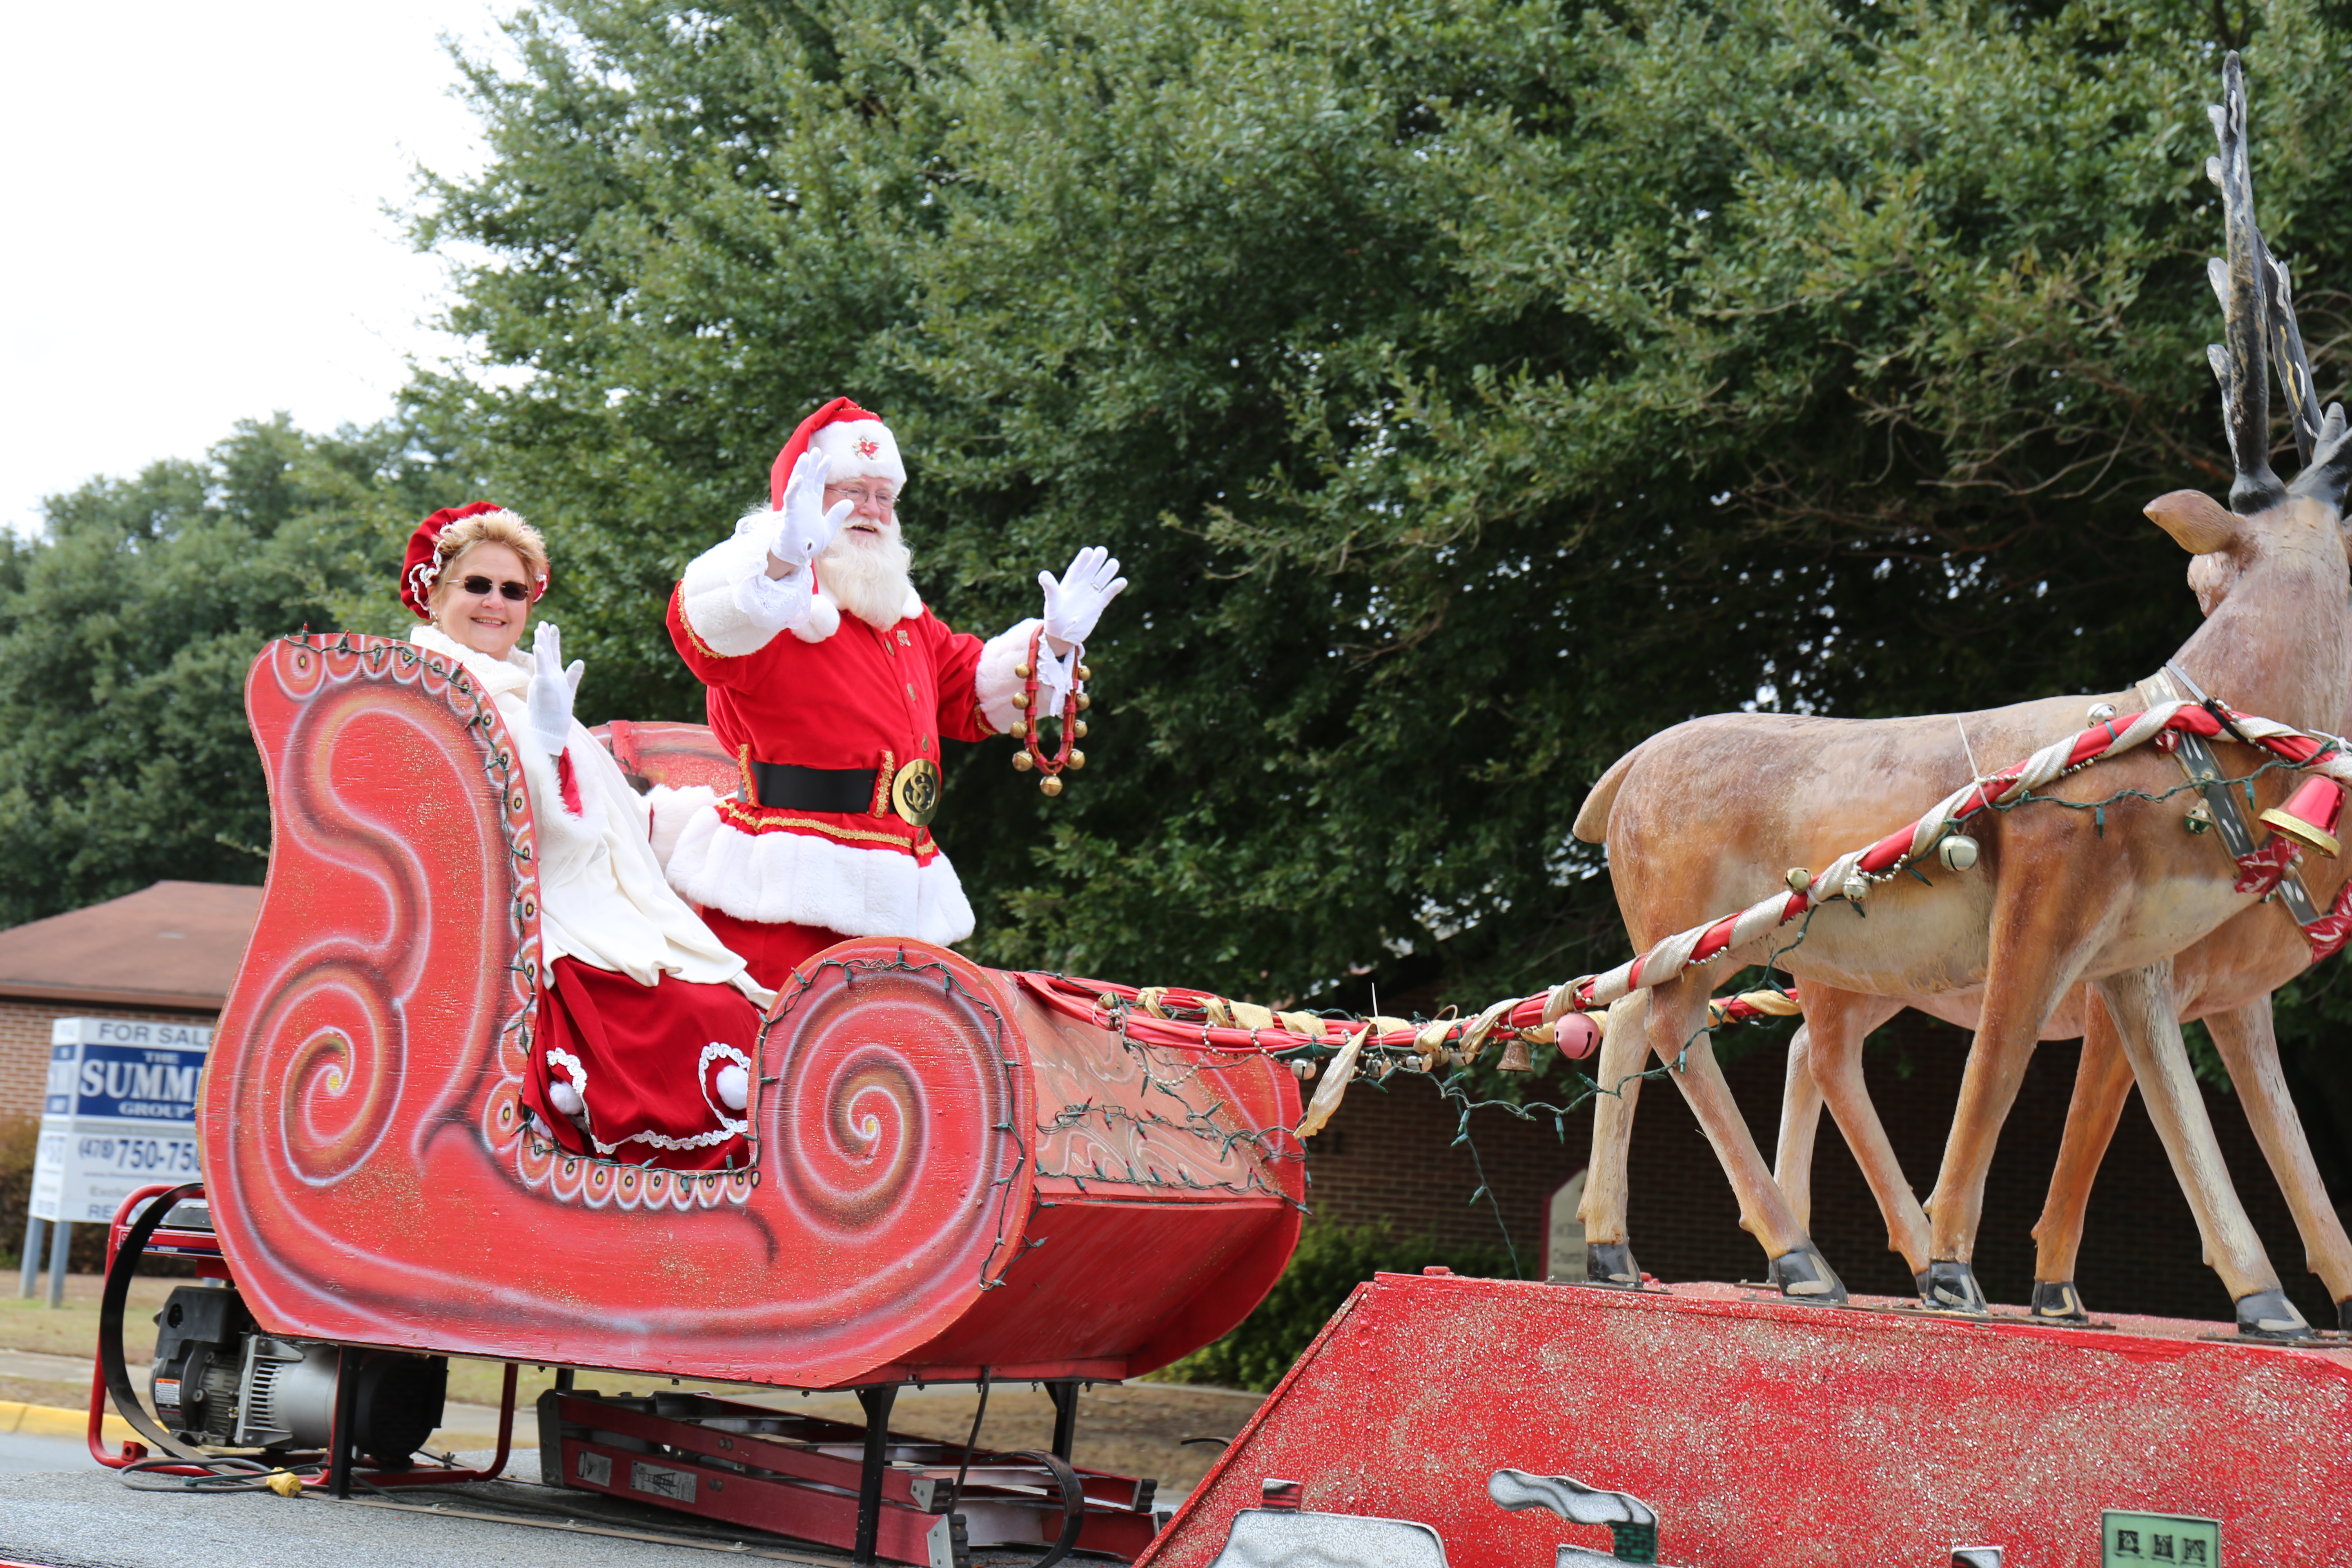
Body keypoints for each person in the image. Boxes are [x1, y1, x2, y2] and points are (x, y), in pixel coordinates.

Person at [658, 398, 1126, 991]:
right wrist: (778, 560)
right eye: (852, 491)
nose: (872, 511)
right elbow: (703, 629)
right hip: (787, 889)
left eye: (884, 497)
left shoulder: (905, 620)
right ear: (804, 500)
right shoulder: (775, 606)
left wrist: (1054, 642)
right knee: (780, 1065)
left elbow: (971, 690)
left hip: (900, 882)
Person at [400, 501, 771, 1171]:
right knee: (678, 1009)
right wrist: (543, 745)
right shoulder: (425, 693)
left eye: (513, 590)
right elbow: (498, 834)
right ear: (434, 593)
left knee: (726, 1004)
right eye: (477, 585)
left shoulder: (525, 689)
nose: (495, 603)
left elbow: (612, 831)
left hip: (598, 904)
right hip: (513, 919)